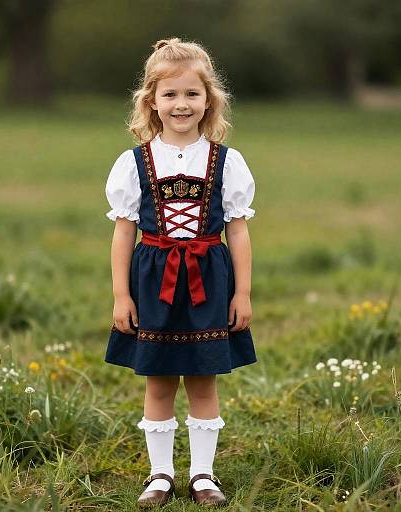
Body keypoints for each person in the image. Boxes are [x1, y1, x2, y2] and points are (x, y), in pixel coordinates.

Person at [104, 37, 257, 508]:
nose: (181, 104)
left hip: (210, 280)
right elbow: (123, 233)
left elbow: (239, 232)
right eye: (170, 94)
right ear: (151, 100)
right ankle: (160, 474)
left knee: (204, 379)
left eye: (191, 93)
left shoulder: (226, 160)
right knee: (159, 380)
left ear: (208, 99)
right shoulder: (133, 163)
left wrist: (243, 293)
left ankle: (204, 475)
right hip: (153, 281)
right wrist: (121, 295)